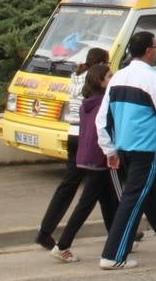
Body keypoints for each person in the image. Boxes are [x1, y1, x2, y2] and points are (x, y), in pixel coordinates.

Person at [95, 31, 156, 269]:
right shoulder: (153, 78)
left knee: (145, 195)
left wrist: (109, 150)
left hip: (125, 147)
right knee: (134, 198)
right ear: (149, 50)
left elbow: (102, 118)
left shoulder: (118, 77)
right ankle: (113, 254)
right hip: (146, 148)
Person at [36, 47, 111, 252]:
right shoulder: (95, 80)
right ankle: (48, 234)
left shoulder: (75, 76)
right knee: (96, 183)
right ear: (100, 65)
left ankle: (46, 229)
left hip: (72, 134)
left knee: (83, 186)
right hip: (88, 135)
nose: (109, 69)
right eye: (107, 64)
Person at [50, 62, 120, 262]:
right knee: (88, 204)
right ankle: (62, 245)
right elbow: (105, 132)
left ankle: (120, 238)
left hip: (86, 157)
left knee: (108, 201)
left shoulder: (87, 103)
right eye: (109, 76)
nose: (112, 78)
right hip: (101, 158)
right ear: (100, 81)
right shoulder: (103, 104)